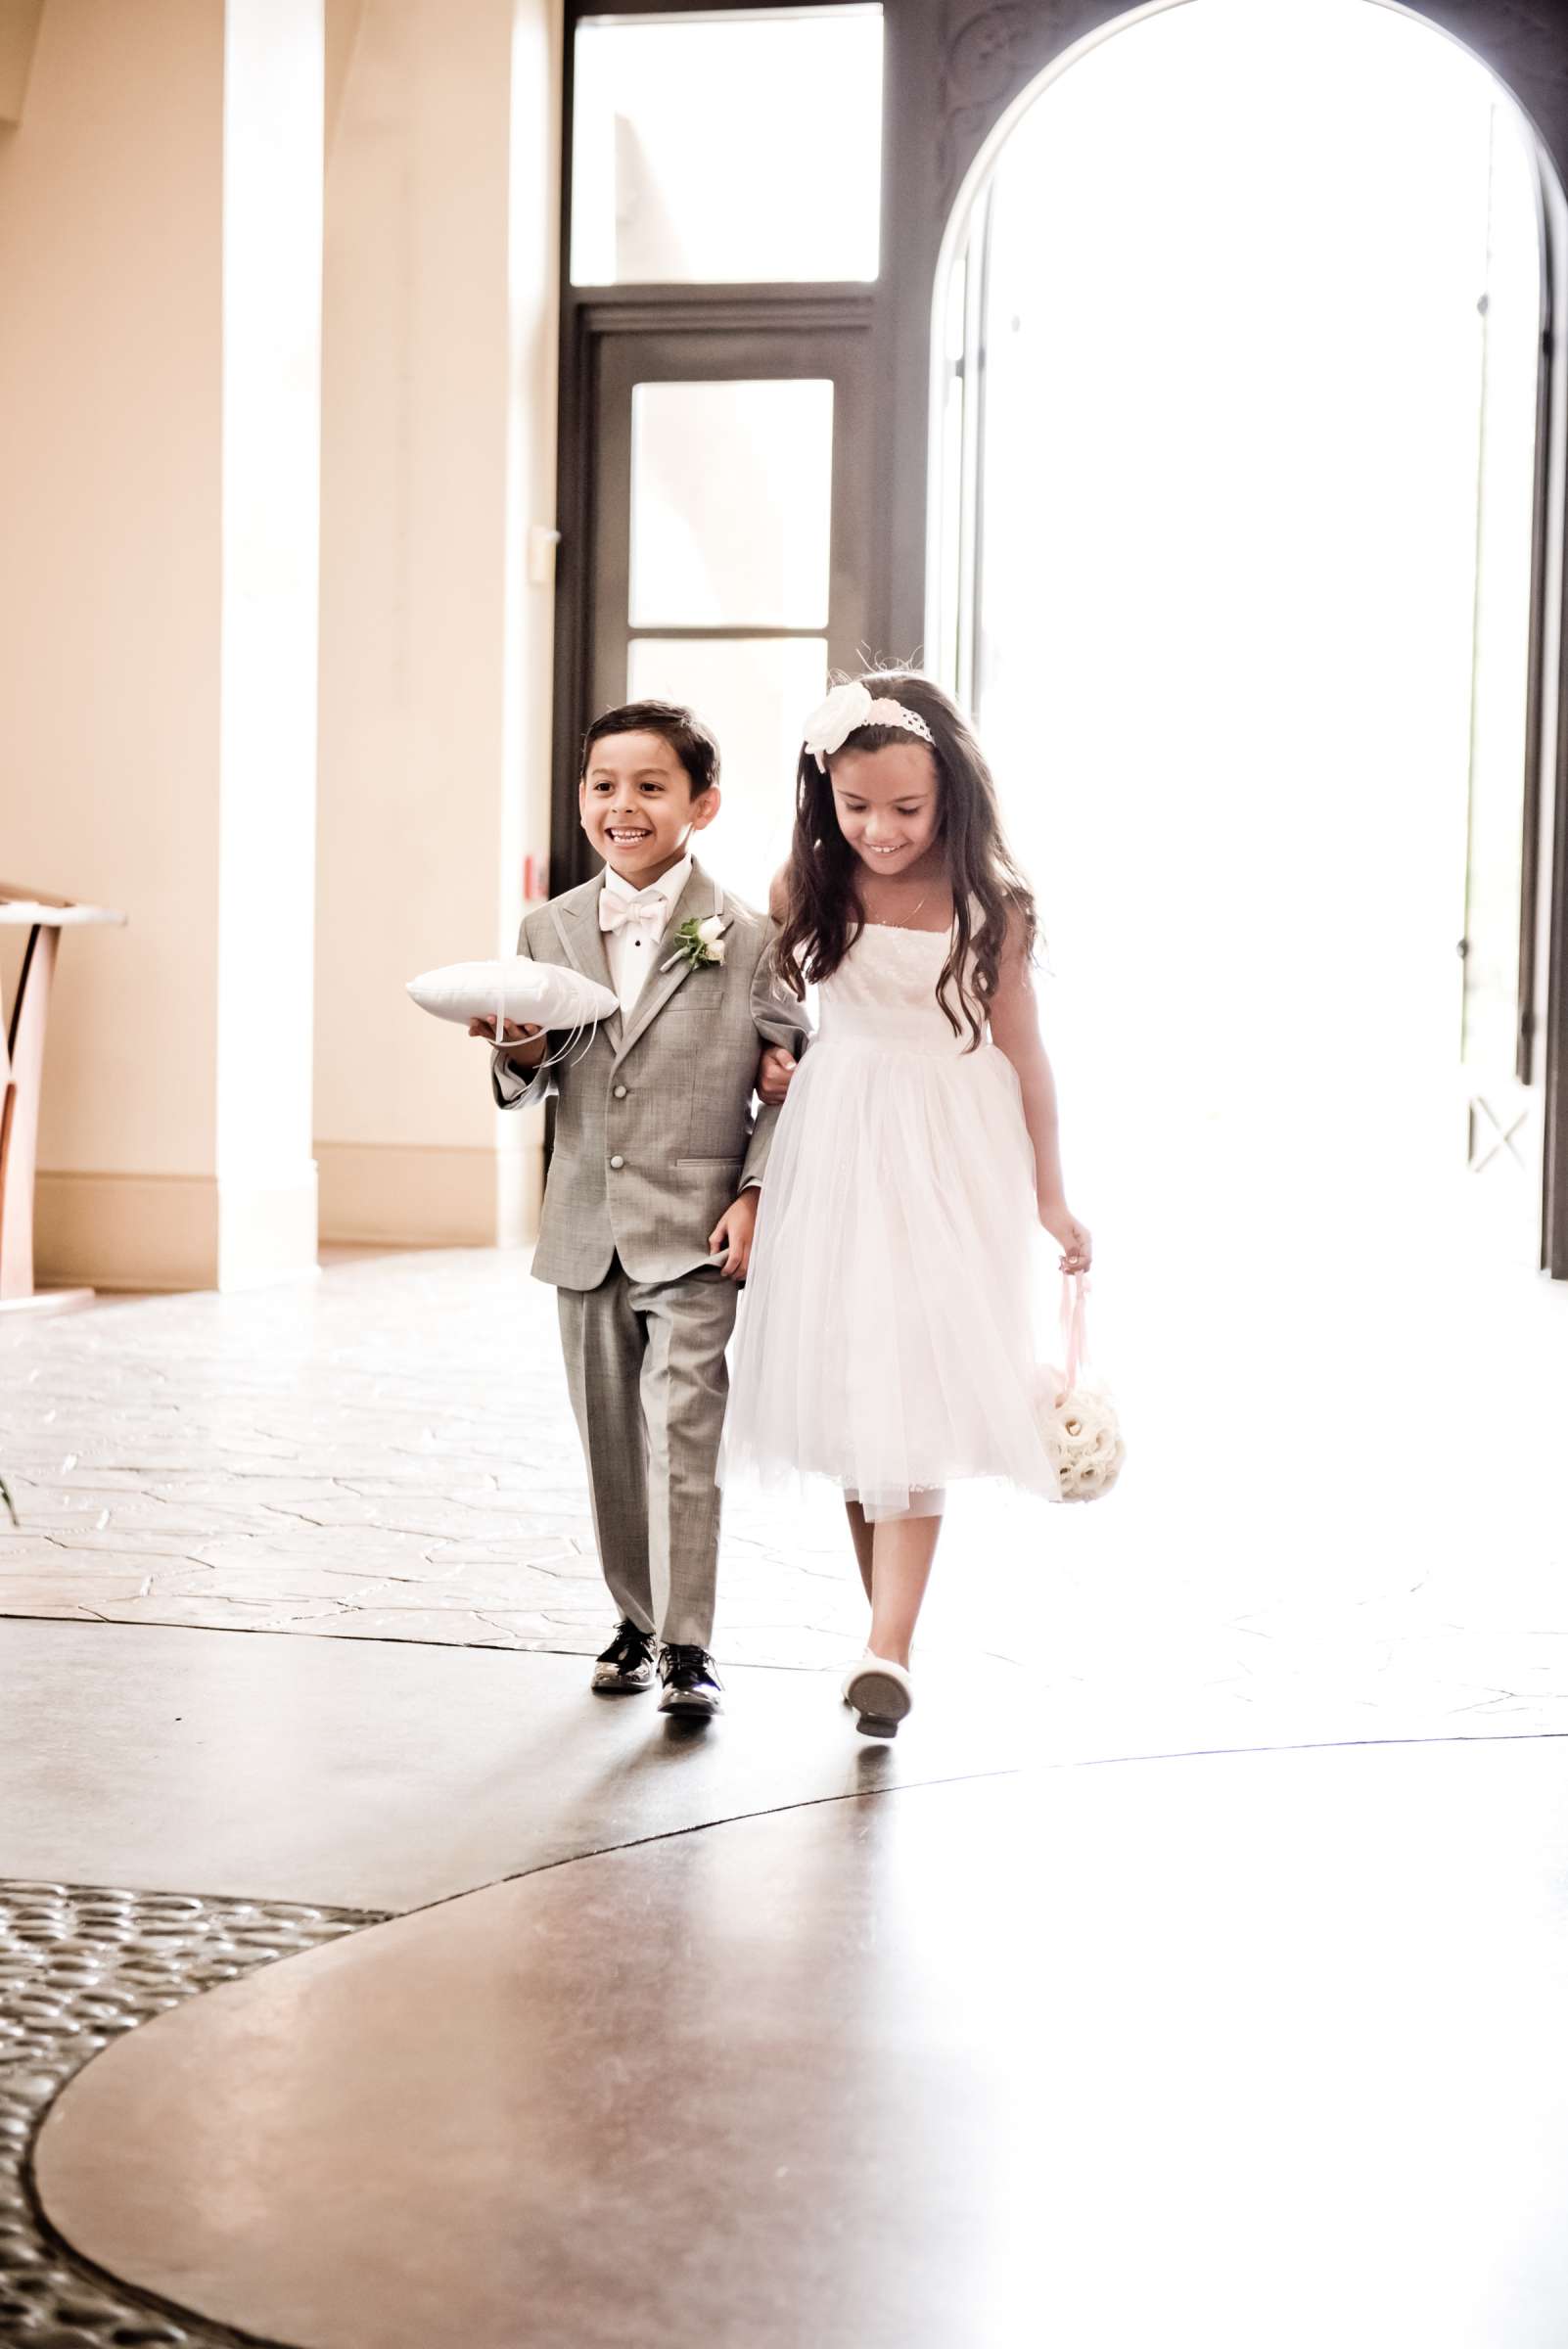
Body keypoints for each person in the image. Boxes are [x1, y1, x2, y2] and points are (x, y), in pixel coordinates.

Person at [720, 672, 1091, 1738]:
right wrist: (779, 1064)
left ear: (951, 800)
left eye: (905, 809)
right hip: (839, 1138)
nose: (879, 830)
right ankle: (888, 1635)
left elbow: (1027, 1059)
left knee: (913, 1384)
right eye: (856, 806)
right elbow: (776, 1014)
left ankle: (886, 1648)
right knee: (854, 1386)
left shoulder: (991, 904)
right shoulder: (809, 883)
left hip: (949, 1148)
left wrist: (1051, 1199)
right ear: (823, 797)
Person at [476, 700, 802, 1719]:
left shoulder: (748, 937)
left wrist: (754, 1194)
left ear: (701, 804)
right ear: (582, 800)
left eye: (651, 786)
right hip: (583, 1230)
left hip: (696, 1232)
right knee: (611, 1445)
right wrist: (517, 1048)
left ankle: (690, 1645)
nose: (625, 805)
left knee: (684, 1439)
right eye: (605, 786)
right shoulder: (547, 928)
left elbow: (793, 1086)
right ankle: (637, 1615)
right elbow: (534, 1077)